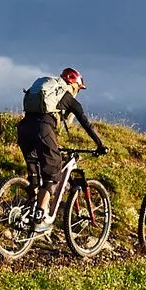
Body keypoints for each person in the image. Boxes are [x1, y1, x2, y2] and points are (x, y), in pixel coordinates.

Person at [19, 67, 106, 232]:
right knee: (52, 173)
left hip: (23, 128)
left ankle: (27, 211)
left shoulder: (49, 91)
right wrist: (100, 145)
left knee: (35, 174)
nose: (77, 93)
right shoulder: (68, 97)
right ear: (74, 85)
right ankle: (39, 219)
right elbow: (86, 124)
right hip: (42, 129)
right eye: (78, 89)